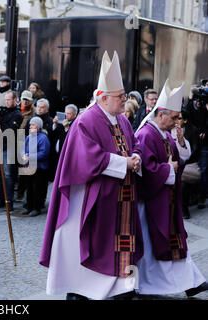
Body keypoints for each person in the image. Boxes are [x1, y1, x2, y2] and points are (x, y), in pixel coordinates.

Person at [40, 51, 143, 300]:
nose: (124, 100)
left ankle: (119, 287)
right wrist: (124, 163)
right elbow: (87, 157)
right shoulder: (87, 120)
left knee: (114, 241)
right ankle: (81, 289)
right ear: (103, 97)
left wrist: (136, 156)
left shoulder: (123, 121)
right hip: (88, 196)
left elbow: (133, 144)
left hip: (118, 195)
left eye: (124, 96)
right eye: (120, 96)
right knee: (88, 241)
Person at [135, 79, 208, 298]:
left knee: (175, 241)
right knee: (153, 246)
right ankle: (150, 285)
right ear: (161, 114)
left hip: (166, 200)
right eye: (175, 116)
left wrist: (181, 141)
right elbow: (145, 169)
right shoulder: (145, 134)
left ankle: (191, 281)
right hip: (152, 203)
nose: (178, 120)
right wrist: (169, 169)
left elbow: (181, 158)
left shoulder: (165, 134)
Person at [0, 90, 23, 212]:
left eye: (9, 99)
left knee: (8, 175)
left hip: (9, 147)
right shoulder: (4, 112)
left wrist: (0, 125)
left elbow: (10, 131)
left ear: (15, 100)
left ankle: (9, 200)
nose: (6, 102)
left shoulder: (17, 114)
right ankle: (1, 198)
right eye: (5, 100)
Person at [22, 117, 50, 217]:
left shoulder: (43, 138)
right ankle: (28, 206)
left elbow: (44, 153)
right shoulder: (29, 137)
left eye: (32, 125)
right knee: (29, 187)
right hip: (30, 166)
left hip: (39, 167)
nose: (30, 127)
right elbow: (23, 148)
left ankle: (36, 208)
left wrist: (29, 157)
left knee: (37, 188)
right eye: (30, 125)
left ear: (38, 127)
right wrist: (23, 156)